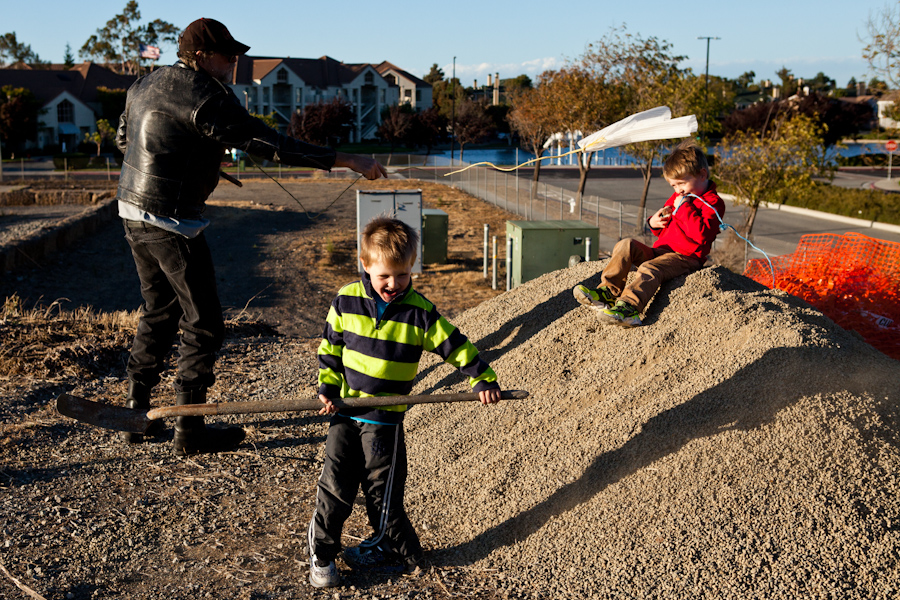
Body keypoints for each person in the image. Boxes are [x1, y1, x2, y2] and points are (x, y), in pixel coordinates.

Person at [116, 17, 387, 457]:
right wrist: (348, 158)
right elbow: (272, 144)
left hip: (130, 209)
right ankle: (189, 429)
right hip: (171, 221)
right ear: (201, 56)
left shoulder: (145, 84)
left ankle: (135, 411)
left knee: (158, 310)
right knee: (203, 323)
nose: (236, 60)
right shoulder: (206, 96)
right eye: (228, 54)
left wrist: (190, 157)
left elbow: (124, 138)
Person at [307, 216, 502, 588]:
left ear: (411, 268)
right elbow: (330, 351)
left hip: (385, 419)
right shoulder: (345, 300)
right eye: (384, 276)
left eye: (402, 275)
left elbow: (454, 345)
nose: (393, 284)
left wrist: (482, 378)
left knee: (383, 492)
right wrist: (328, 389)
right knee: (336, 485)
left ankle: (391, 547)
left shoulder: (419, 312)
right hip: (346, 414)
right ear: (365, 265)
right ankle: (322, 553)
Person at [573, 139, 725, 327]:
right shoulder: (680, 197)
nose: (678, 190)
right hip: (661, 250)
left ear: (702, 175)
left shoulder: (713, 203)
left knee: (650, 269)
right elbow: (665, 220)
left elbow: (701, 235)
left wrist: (685, 208)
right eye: (673, 186)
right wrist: (654, 222)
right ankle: (608, 292)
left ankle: (629, 307)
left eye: (681, 184)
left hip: (685, 257)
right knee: (626, 244)